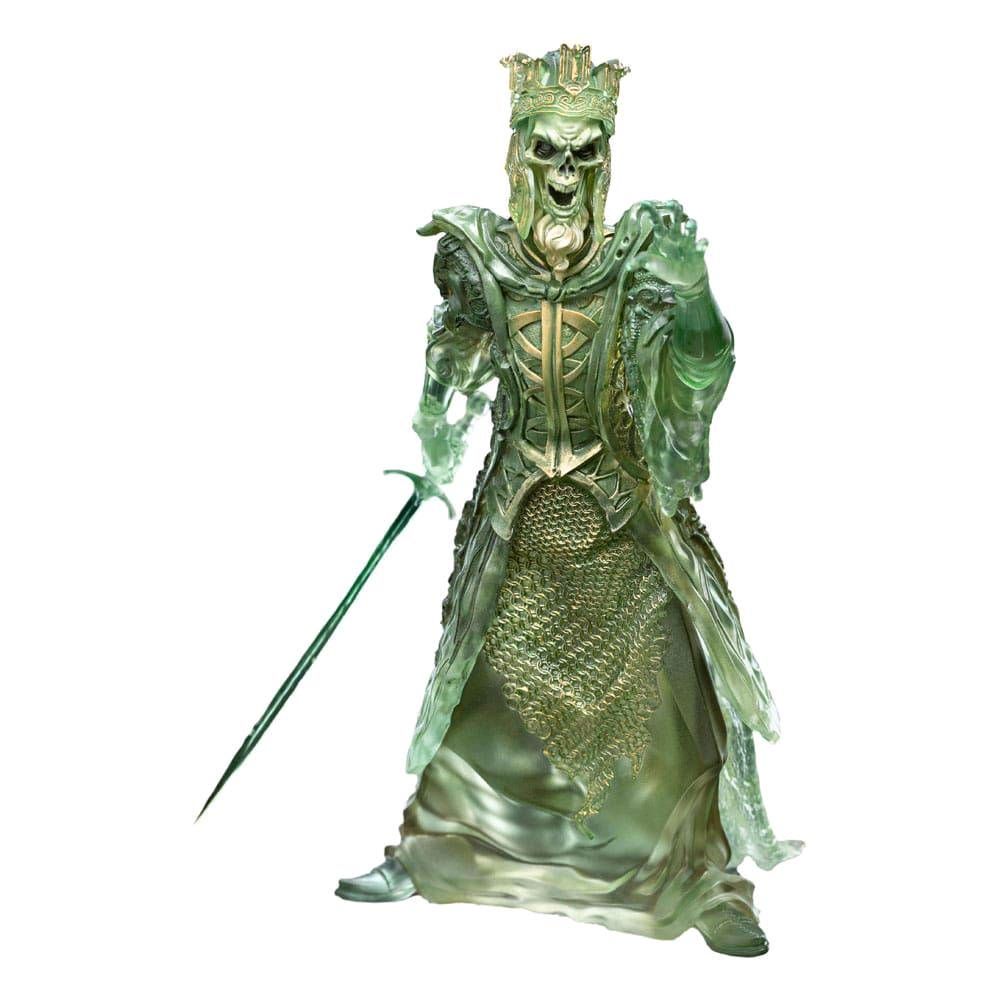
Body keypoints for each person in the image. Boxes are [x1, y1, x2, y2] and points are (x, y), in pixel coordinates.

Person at [336, 44, 800, 957]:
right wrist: (434, 447)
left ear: (605, 165)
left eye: (585, 155)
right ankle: (435, 848)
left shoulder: (641, 261)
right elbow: (452, 360)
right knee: (476, 704)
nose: (565, 174)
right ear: (518, 157)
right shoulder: (482, 259)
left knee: (670, 720)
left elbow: (702, 368)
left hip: (627, 528)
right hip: (515, 526)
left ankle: (705, 882)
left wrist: (695, 289)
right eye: (548, 151)